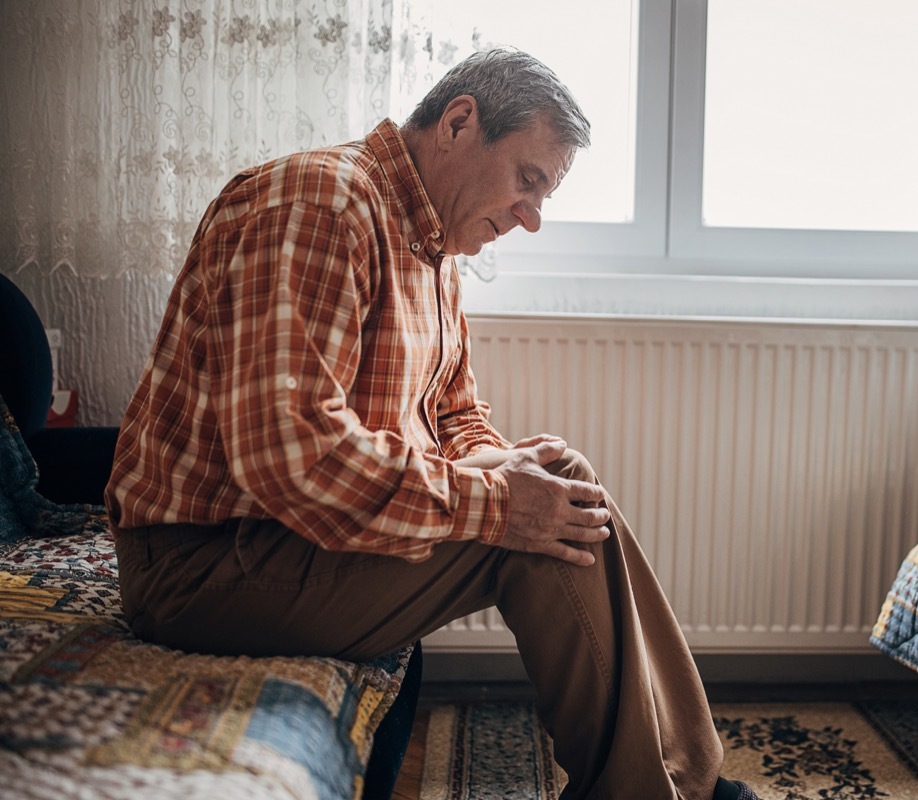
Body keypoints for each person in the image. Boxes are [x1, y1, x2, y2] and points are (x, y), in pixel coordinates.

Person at [105, 48, 759, 800]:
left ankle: (692, 785)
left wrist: (504, 462)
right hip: (201, 567)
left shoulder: (434, 249)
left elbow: (456, 412)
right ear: (459, 121)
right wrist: (499, 505)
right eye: (528, 180)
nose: (531, 218)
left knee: (561, 485)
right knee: (539, 536)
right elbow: (293, 455)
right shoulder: (322, 203)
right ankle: (658, 792)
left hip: (285, 541)